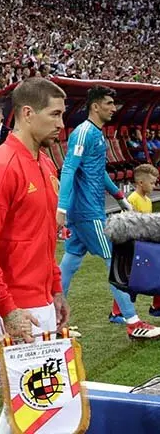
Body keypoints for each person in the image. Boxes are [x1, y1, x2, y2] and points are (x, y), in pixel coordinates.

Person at [0, 77, 71, 434]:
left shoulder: (44, 162)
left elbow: (43, 236)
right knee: (32, 410)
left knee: (33, 411)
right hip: (10, 307)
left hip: (38, 301)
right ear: (27, 113)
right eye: (54, 114)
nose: (60, 123)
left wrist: (55, 289)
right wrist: (8, 309)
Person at [57, 86, 159, 338]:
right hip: (88, 212)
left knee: (68, 265)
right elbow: (69, 169)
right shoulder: (82, 133)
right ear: (95, 106)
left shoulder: (95, 134)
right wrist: (61, 206)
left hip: (89, 210)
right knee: (115, 261)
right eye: (110, 103)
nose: (114, 109)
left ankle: (52, 321)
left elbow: (97, 170)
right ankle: (132, 322)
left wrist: (119, 196)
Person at [124, 164, 160, 318]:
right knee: (130, 281)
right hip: (135, 246)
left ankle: (156, 306)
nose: (154, 185)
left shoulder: (148, 200)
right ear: (140, 183)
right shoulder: (132, 199)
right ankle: (118, 311)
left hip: (147, 245)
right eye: (152, 183)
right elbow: (129, 223)